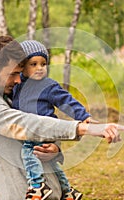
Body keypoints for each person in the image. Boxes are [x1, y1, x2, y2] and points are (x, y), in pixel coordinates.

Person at [0, 35, 124, 200]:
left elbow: (40, 119)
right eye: (13, 74)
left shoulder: (3, 93)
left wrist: (54, 147)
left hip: (50, 190)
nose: (18, 80)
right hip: (21, 193)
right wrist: (83, 128)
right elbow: (28, 124)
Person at [12, 40, 93, 200]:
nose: (39, 68)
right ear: (22, 66)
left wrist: (83, 116)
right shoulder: (17, 85)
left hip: (43, 130)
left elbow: (67, 101)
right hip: (31, 129)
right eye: (33, 64)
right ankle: (68, 191)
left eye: (43, 64)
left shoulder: (48, 85)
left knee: (28, 153)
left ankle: (37, 186)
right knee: (52, 165)